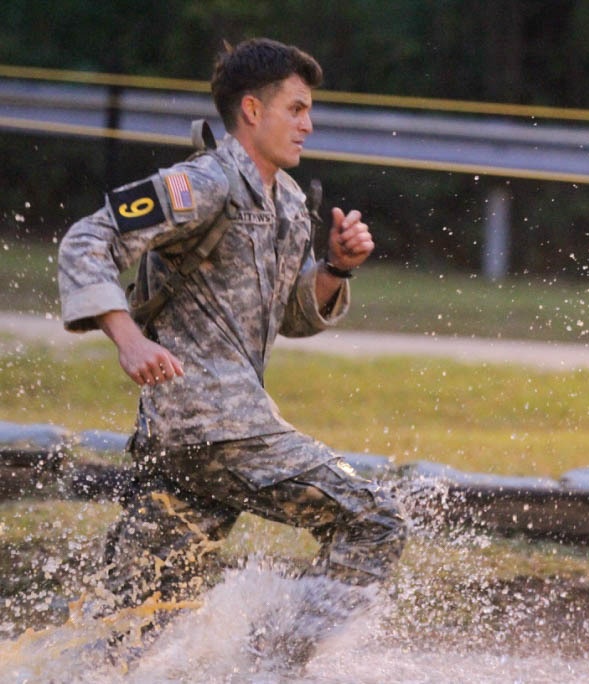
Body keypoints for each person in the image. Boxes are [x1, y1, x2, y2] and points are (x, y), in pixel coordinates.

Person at [57, 38, 407, 623]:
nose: (308, 125)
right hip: (218, 428)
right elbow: (86, 241)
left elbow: (290, 315)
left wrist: (335, 269)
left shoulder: (289, 202)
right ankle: (274, 665)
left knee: (136, 629)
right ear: (252, 110)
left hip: (190, 441)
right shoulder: (205, 181)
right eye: (296, 109)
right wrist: (129, 338)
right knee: (374, 520)